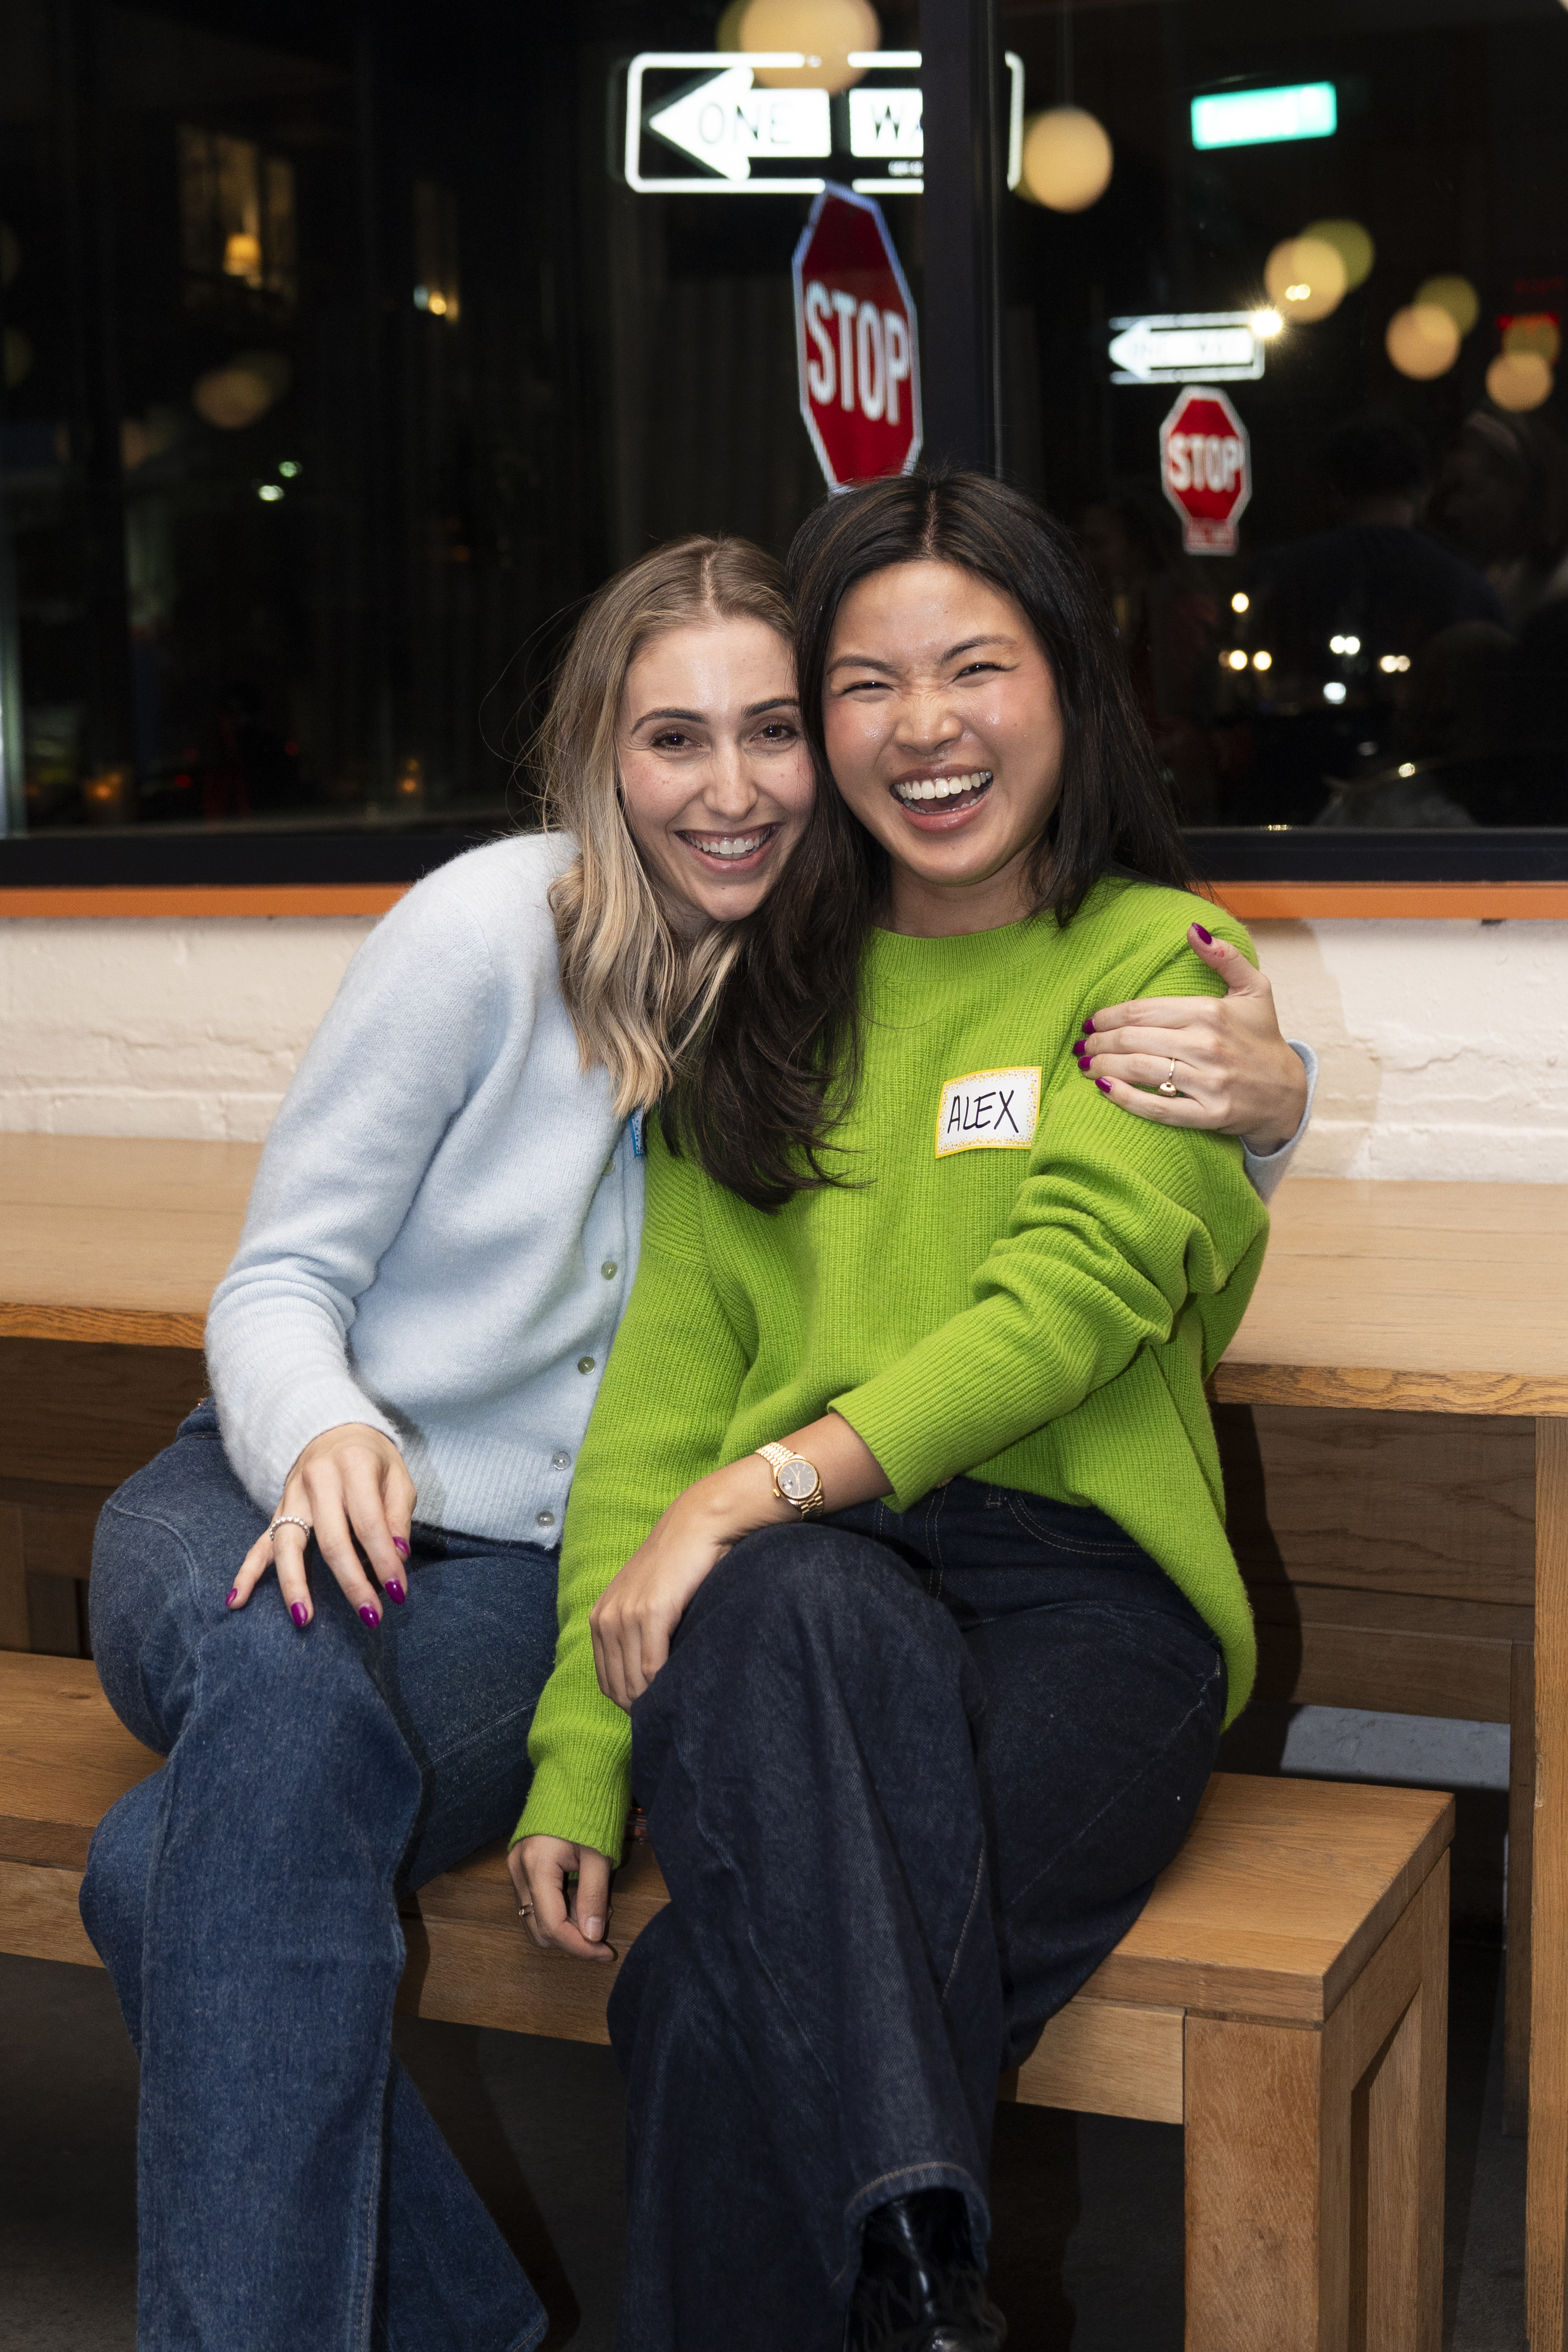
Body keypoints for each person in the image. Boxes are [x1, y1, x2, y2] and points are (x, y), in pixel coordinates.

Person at [79, 528, 1308, 2352]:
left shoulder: (1001, 967)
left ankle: (705, 2294)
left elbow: (1082, 1256)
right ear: (604, 757)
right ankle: (874, 2259)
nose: (740, 786)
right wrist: (551, 1710)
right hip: (387, 1515)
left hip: (840, 1578)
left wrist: (1266, 1112)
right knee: (327, 1664)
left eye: (779, 729)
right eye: (684, 738)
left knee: (233, 1879)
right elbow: (421, 1328)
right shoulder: (622, 962)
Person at [516, 471, 1288, 2352]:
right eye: (865, 684)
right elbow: (654, 1414)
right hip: (802, 1621)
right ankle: (934, 2272)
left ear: (1068, 690)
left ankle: (908, 2256)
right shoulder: (759, 1002)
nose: (924, 728)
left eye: (975, 668)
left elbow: (1073, 1300)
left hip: (1088, 1609)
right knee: (786, 1595)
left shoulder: (1155, 968)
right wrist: (578, 1751)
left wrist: (762, 1483)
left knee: (713, 1986)